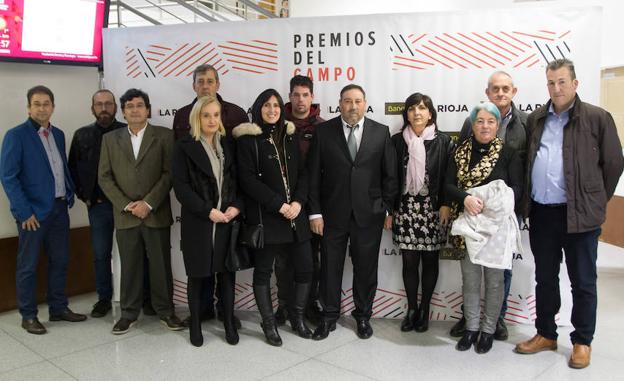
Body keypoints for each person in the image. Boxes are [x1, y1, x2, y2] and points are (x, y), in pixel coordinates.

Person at [515, 59, 624, 369]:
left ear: (575, 84)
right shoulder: (536, 118)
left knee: (583, 282)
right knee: (545, 278)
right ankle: (546, 333)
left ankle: (582, 341)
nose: (556, 88)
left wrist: (595, 201)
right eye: (551, 82)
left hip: (580, 217)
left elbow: (614, 163)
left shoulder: (597, 118)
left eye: (562, 82)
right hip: (543, 214)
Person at [307, 84, 398, 340]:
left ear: (365, 103)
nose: (353, 106)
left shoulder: (381, 133)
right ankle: (328, 317)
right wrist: (315, 213)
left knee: (366, 268)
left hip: (369, 215)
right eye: (348, 101)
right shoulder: (323, 132)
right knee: (330, 268)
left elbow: (390, 176)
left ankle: (363, 316)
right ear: (340, 103)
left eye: (358, 101)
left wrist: (387, 208)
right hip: (331, 216)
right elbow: (312, 176)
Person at [1, 85, 86, 335]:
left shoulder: (58, 134)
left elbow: (59, 168)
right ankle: (28, 315)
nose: (42, 108)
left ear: (53, 107)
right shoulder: (16, 136)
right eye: (36, 104)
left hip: (59, 209)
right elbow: (8, 177)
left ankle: (58, 308)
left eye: (46, 103)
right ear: (29, 107)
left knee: (60, 260)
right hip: (33, 214)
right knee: (27, 265)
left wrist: (69, 193)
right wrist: (23, 211)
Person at [98, 88, 184, 334]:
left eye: (139, 105)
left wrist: (148, 203)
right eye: (129, 106)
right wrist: (127, 204)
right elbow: (104, 177)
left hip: (155, 213)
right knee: (129, 267)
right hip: (125, 215)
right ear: (123, 112)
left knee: (160, 265)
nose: (134, 110)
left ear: (148, 109)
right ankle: (128, 313)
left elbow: (169, 174)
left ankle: (166, 312)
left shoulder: (164, 136)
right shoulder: (110, 139)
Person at [233, 89, 314, 346]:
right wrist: (279, 205)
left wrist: (299, 202)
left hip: (296, 216)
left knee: (305, 267)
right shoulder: (247, 139)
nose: (272, 109)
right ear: (258, 108)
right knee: (264, 272)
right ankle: (268, 323)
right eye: (267, 105)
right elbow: (246, 181)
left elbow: (303, 173)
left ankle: (297, 316)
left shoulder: (290, 136)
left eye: (276, 105)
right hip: (268, 217)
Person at [452, 71, 528, 340]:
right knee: (471, 279)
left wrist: (500, 207)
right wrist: (466, 199)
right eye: (480, 122)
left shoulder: (517, 136)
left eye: (491, 122)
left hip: (499, 224)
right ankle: (471, 325)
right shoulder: (462, 146)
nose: (485, 126)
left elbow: (520, 183)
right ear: (473, 125)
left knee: (497, 279)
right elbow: (453, 179)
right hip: (470, 221)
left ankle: (492, 325)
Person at [172, 64, 247, 327]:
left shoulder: (236, 113)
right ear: (194, 85)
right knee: (200, 267)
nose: (205, 85)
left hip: (226, 210)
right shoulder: (182, 116)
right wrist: (205, 208)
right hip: (200, 212)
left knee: (224, 269)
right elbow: (180, 176)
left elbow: (238, 169)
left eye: (210, 81)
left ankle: (225, 312)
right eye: (201, 81)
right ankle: (200, 311)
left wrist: (235, 205)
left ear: (218, 84)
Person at [386, 93, 453, 333]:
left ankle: (425, 310)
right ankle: (412, 309)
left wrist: (445, 203)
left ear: (431, 113)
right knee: (409, 262)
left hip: (433, 210)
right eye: (412, 108)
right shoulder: (396, 142)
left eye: (422, 108)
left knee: (431, 261)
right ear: (406, 114)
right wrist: (389, 209)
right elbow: (390, 179)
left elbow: (448, 177)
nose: (417, 113)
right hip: (405, 208)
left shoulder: (443, 142)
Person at [68, 89, 126, 318]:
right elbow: (72, 169)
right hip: (99, 206)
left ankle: (140, 297)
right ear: (92, 108)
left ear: (115, 107)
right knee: (101, 254)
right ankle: (104, 298)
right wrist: (87, 197)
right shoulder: (81, 135)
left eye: (108, 104)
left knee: (133, 252)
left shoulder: (126, 131)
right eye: (99, 104)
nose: (104, 108)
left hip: (125, 206)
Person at [274, 75, 325, 325]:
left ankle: (309, 304)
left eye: (305, 94)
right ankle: (284, 305)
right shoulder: (277, 123)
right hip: (282, 205)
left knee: (312, 259)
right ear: (289, 95)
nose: (300, 99)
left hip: (312, 204)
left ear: (312, 97)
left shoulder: (322, 127)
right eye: (296, 94)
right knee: (282, 259)